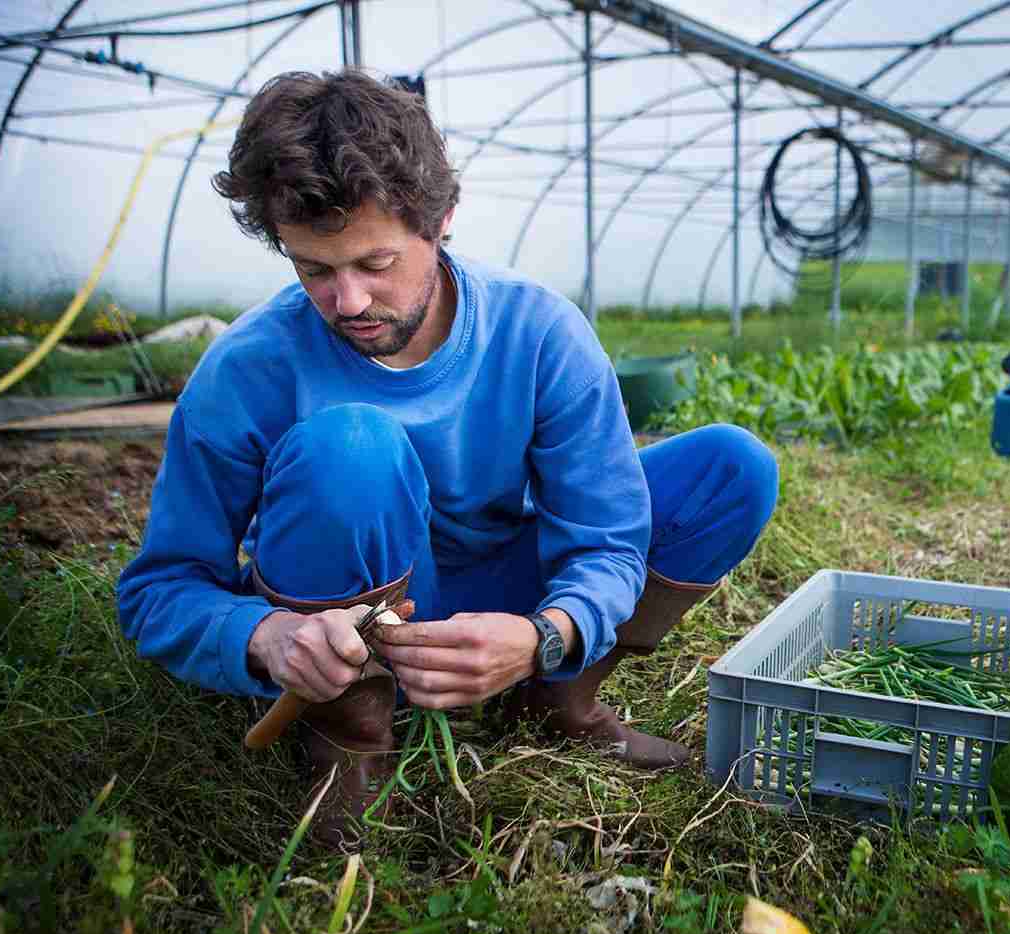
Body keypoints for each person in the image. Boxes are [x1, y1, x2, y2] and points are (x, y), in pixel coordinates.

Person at [116, 69, 779, 850]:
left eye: (376, 262)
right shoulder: (248, 368)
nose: (349, 302)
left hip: (500, 587)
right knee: (351, 444)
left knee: (732, 469)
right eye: (314, 270)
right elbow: (159, 589)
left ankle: (560, 701)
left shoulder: (538, 332)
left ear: (443, 218)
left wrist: (547, 634)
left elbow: (605, 535)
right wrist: (265, 637)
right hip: (349, 618)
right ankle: (350, 743)